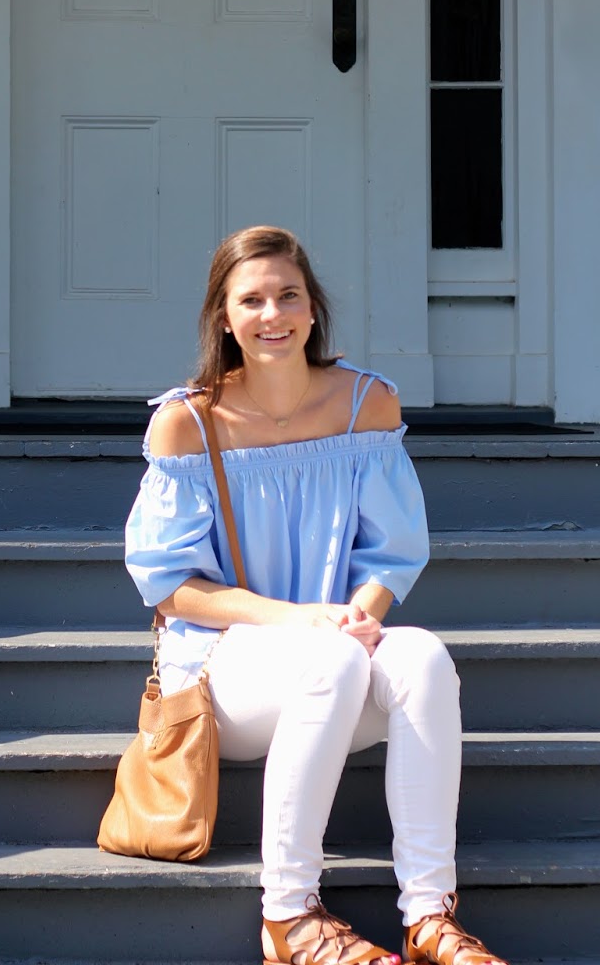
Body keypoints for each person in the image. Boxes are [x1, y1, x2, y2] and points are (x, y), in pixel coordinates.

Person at [124, 225, 507, 965]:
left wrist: (358, 618)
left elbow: (392, 553)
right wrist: (303, 622)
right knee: (328, 661)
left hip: (338, 651)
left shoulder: (367, 403)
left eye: (288, 295)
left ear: (312, 306)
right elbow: (174, 590)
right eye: (253, 300)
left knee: (423, 657)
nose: (274, 315)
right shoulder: (187, 423)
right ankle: (288, 917)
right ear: (224, 317)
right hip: (223, 673)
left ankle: (428, 916)